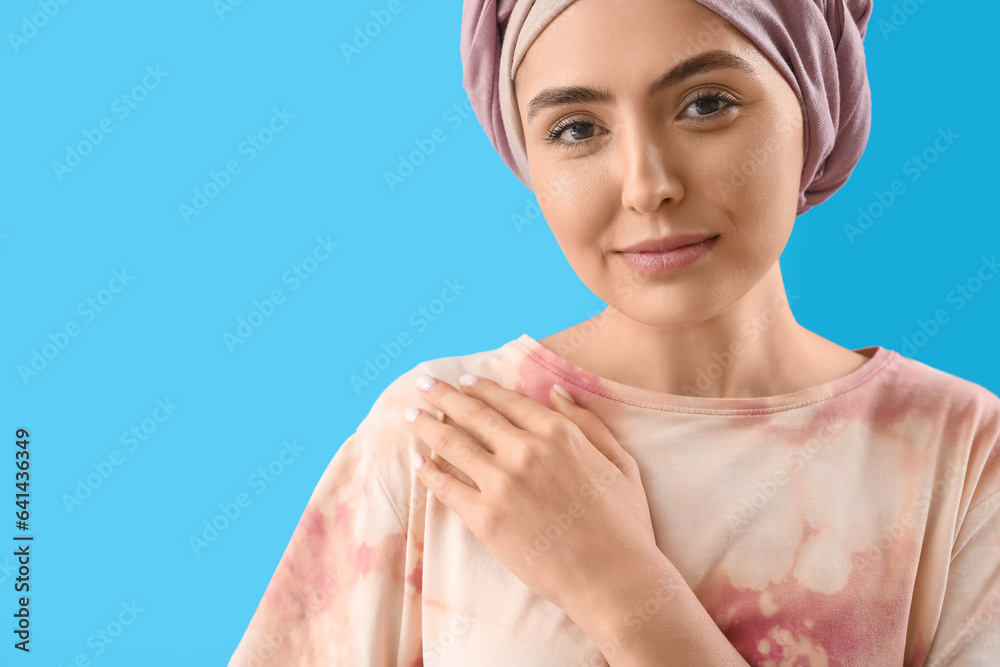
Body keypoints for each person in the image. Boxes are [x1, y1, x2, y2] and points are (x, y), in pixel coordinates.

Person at [228, 0, 1000, 664]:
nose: (647, 185)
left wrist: (622, 588)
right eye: (576, 128)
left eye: (706, 104)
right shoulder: (444, 435)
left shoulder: (960, 450)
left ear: (815, 103)